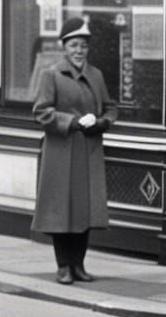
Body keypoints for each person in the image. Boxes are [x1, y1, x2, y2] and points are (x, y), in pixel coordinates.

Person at [31, 16, 117, 285]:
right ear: (64, 47)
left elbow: (110, 107)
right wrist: (72, 122)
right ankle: (63, 266)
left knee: (84, 211)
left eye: (83, 46)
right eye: (74, 45)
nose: (79, 51)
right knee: (61, 210)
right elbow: (41, 112)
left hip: (87, 151)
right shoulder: (51, 74)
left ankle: (79, 264)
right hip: (60, 151)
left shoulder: (96, 75)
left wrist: (103, 121)